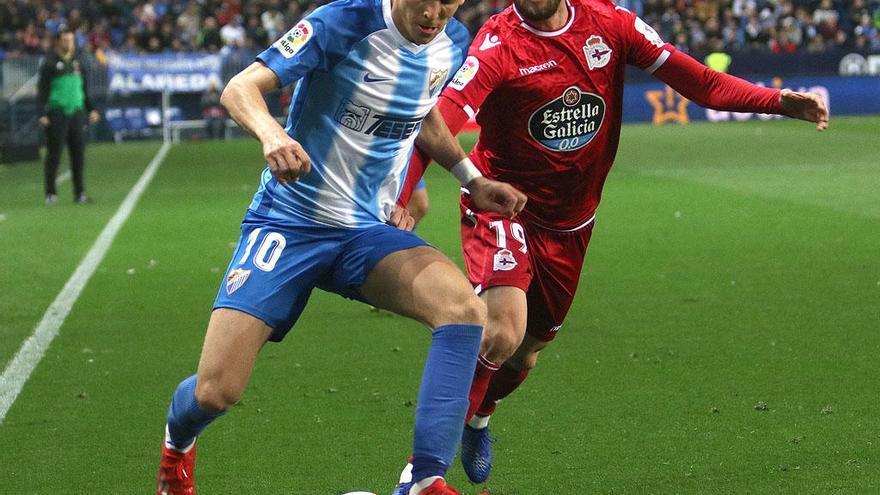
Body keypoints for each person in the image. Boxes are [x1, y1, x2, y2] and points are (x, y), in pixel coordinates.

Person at [394, 0, 829, 487]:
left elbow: (697, 81)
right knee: (501, 330)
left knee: (526, 352)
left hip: (572, 225)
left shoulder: (612, 25)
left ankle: (481, 416)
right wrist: (403, 195)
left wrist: (774, 101)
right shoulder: (498, 44)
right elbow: (439, 125)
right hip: (502, 204)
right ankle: (422, 474)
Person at [154, 0, 527, 494]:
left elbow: (426, 113)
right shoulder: (343, 22)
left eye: (449, 2)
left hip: (364, 234)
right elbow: (239, 88)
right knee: (216, 391)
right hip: (290, 223)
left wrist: (470, 178)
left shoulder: (453, 42)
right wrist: (271, 134)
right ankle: (176, 447)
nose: (436, 13)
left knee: (463, 310)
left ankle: (423, 479)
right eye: (426, 0)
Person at [37, 27, 100, 205]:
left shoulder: (79, 61)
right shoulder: (49, 63)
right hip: (57, 112)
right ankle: (51, 193)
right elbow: (42, 91)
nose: (69, 43)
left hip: (77, 112)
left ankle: (79, 193)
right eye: (65, 40)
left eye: (71, 40)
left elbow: (84, 89)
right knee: (54, 154)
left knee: (78, 154)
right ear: (58, 41)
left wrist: (92, 109)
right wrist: (42, 113)